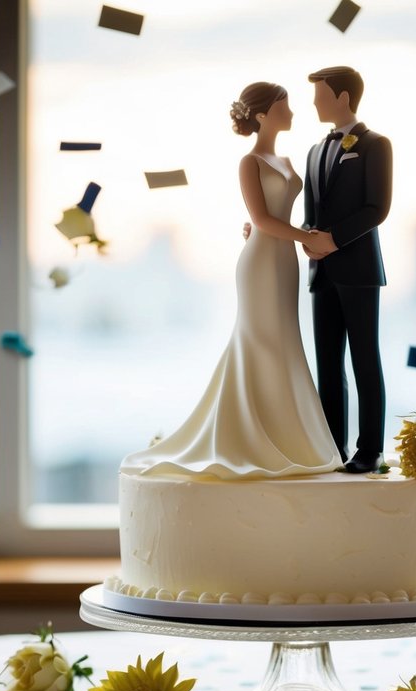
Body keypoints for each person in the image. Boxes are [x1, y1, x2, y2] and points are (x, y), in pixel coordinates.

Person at [120, 82, 340, 480]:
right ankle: (250, 437)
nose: (291, 111)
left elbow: (276, 217)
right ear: (261, 116)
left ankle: (287, 436)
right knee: (261, 340)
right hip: (260, 262)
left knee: (283, 340)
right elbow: (260, 220)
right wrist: (305, 237)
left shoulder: (286, 159)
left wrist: (301, 234)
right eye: (283, 106)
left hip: (284, 259)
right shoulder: (250, 161)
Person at [303, 66, 391, 475]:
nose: (315, 103)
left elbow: (378, 209)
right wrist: (307, 240)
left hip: (357, 269)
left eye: (321, 95)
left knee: (364, 359)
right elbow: (310, 215)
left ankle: (369, 450)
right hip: (321, 273)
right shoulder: (315, 149)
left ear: (342, 97)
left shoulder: (376, 145)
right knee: (328, 364)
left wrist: (333, 240)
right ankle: (333, 448)